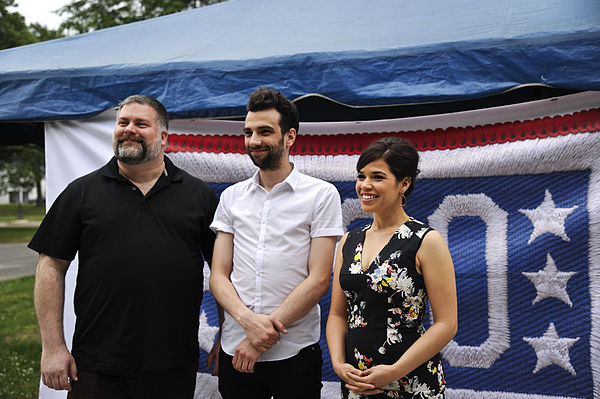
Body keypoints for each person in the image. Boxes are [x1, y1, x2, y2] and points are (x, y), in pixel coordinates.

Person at [29, 95, 218, 399]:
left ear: (164, 137)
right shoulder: (80, 193)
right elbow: (50, 265)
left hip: (172, 363)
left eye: (141, 123)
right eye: (123, 122)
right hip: (95, 364)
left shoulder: (199, 196)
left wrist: (227, 335)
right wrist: (53, 347)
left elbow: (222, 272)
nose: (129, 129)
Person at [209, 87, 344, 399]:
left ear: (290, 137)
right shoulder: (231, 198)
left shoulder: (321, 195)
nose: (254, 140)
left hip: (294, 355)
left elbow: (320, 278)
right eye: (248, 132)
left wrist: (259, 338)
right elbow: (218, 275)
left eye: (265, 131)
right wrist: (247, 322)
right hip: (235, 349)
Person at [326, 137, 457, 398]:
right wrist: (339, 364)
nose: (365, 185)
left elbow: (447, 323)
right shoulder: (348, 241)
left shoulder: (426, 240)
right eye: (361, 176)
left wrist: (395, 371)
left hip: (411, 382)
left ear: (404, 184)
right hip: (357, 383)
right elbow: (337, 315)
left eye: (377, 177)